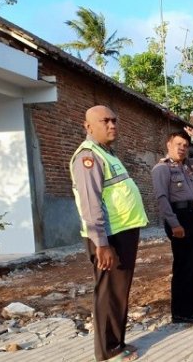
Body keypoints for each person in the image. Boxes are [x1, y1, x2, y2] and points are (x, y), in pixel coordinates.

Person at [70, 105, 148, 362]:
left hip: (121, 232)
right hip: (108, 238)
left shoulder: (107, 154)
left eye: (114, 120)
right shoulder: (87, 157)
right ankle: (108, 351)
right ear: (88, 126)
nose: (112, 125)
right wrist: (102, 244)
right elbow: (90, 204)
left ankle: (116, 343)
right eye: (105, 121)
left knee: (118, 292)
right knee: (108, 292)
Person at [151, 127, 193, 324]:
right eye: (178, 144)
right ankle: (181, 312)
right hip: (180, 218)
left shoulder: (187, 167)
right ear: (169, 145)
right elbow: (162, 199)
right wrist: (174, 224)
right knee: (184, 265)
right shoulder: (161, 169)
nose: (182, 149)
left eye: (186, 146)